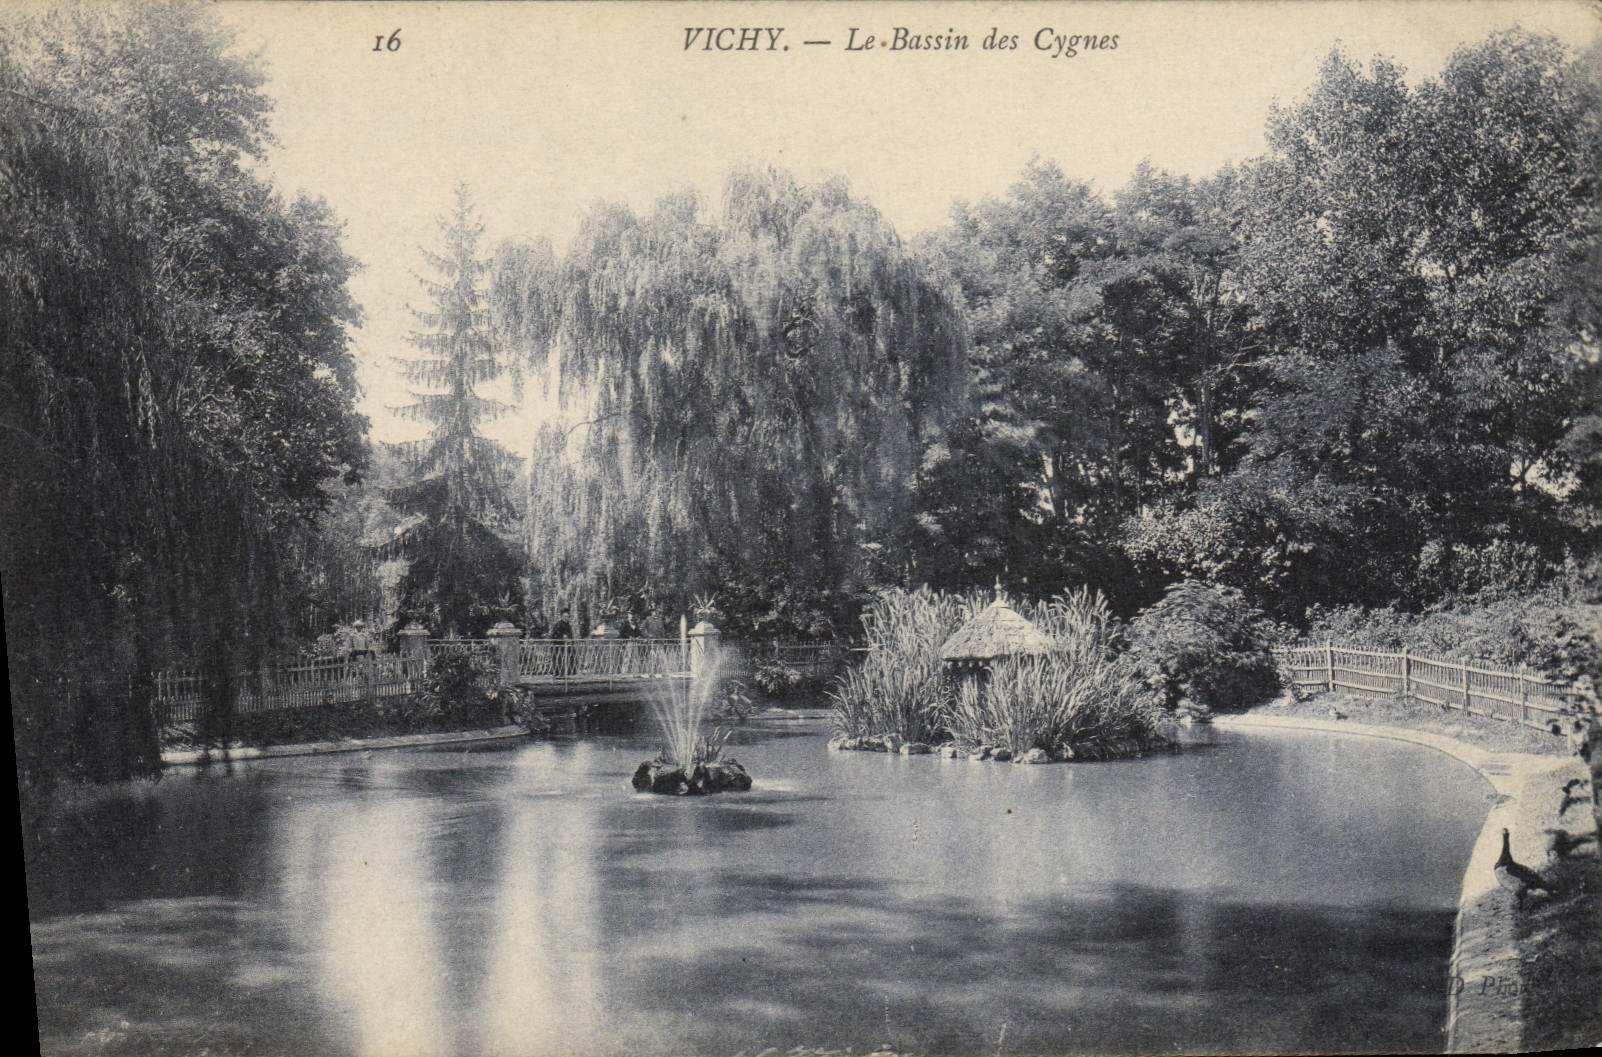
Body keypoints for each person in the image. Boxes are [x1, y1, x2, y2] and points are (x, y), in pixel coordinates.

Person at [549, 609, 574, 677]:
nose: (566, 618)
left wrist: (570, 640)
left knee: (567, 659)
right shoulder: (558, 624)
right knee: (559, 660)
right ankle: (558, 674)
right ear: (562, 617)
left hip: (566, 646)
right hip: (559, 646)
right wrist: (562, 637)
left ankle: (566, 673)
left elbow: (571, 635)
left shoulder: (568, 625)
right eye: (565, 616)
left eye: (567, 616)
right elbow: (554, 635)